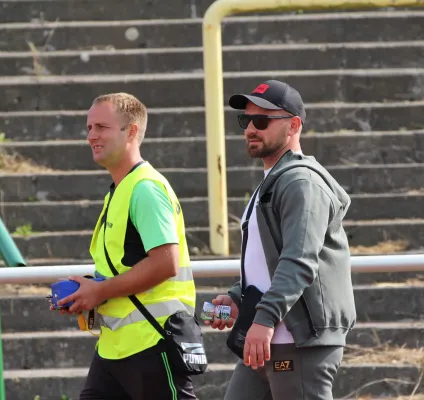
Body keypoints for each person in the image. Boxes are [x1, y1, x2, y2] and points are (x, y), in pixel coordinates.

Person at [207, 79, 357, 400]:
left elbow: (299, 260)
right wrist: (237, 296)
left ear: (293, 126)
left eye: (261, 121)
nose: (250, 128)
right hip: (267, 334)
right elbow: (270, 258)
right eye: (245, 120)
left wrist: (264, 318)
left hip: (295, 339)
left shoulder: (301, 182)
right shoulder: (273, 181)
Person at [54, 92, 199, 399]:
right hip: (115, 347)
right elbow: (122, 266)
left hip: (153, 341)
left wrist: (99, 291)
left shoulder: (145, 189)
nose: (91, 135)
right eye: (89, 127)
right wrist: (87, 291)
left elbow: (165, 263)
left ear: (131, 132)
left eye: (101, 127)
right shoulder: (119, 191)